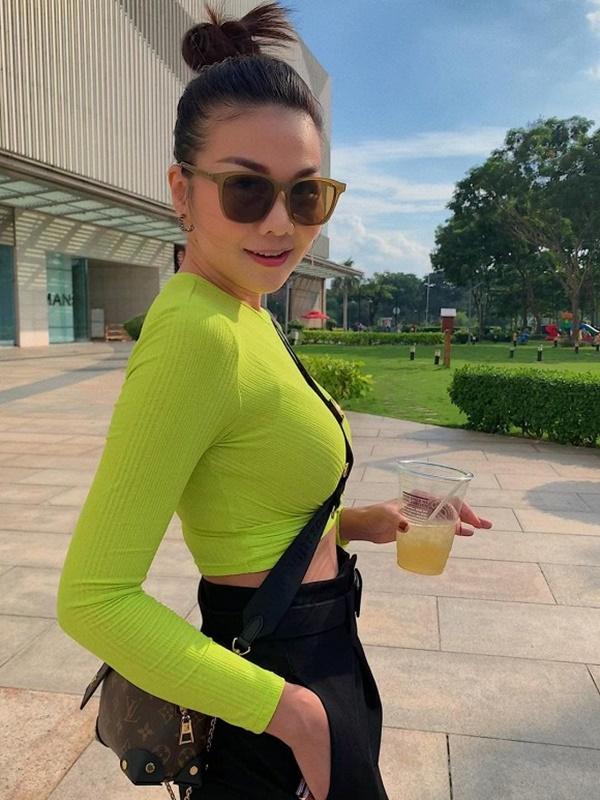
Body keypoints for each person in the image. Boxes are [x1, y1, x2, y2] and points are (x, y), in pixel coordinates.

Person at [56, 4, 492, 799]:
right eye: (247, 189)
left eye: (306, 195)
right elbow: (93, 600)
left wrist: (362, 521)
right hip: (276, 681)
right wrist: (296, 717)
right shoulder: (196, 334)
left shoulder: (246, 312)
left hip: (319, 644)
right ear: (182, 191)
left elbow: (247, 503)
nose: (280, 224)